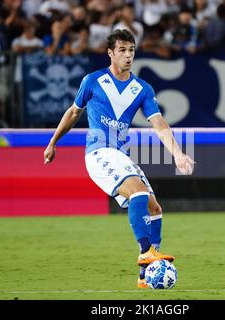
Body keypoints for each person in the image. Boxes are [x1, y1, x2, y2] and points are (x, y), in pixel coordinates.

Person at [43, 29, 195, 288]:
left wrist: (178, 154)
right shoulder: (93, 81)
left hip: (120, 155)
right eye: (122, 50)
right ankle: (146, 251)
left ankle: (146, 273)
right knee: (137, 193)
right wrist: (53, 142)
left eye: (131, 50)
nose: (128, 55)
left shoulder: (142, 89)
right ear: (110, 53)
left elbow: (158, 123)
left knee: (154, 208)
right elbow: (73, 113)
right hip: (99, 154)